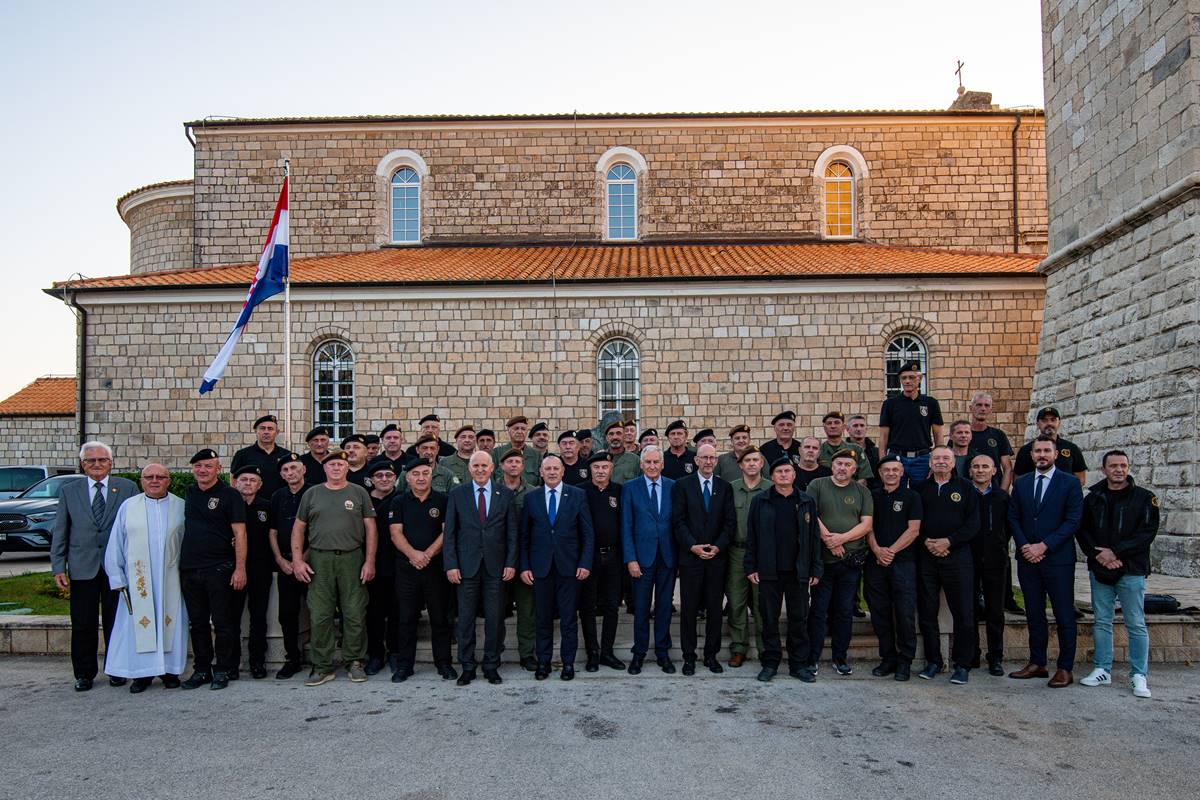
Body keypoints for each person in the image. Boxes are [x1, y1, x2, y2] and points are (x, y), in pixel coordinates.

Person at [50, 441, 139, 691]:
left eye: (102, 460)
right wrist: (58, 567)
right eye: (91, 460)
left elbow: (135, 528)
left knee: (116, 622)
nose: (96, 464)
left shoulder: (127, 488)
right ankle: (84, 673)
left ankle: (117, 669)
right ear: (82, 464)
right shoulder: (69, 491)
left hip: (117, 568)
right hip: (82, 566)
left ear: (111, 463)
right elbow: (61, 530)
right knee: (83, 623)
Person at [291, 448, 378, 687]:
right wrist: (298, 560)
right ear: (325, 468)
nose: (336, 468)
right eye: (332, 464)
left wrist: (370, 561)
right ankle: (322, 666)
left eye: (340, 464)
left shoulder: (359, 493)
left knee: (354, 611)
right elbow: (298, 528)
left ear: (347, 467)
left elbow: (371, 528)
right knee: (320, 613)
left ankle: (355, 661)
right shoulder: (312, 494)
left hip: (352, 558)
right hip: (320, 560)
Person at [1076, 450, 1159, 698]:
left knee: (1135, 623)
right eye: (1113, 466)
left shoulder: (1144, 498)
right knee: (1102, 621)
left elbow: (1147, 533)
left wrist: (1117, 552)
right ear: (1104, 469)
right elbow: (1082, 531)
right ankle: (1102, 669)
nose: (1119, 470)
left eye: (1123, 465)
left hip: (1131, 568)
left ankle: (1139, 674)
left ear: (1128, 467)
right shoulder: (1093, 498)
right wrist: (1098, 555)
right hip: (1101, 568)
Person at [102, 463, 187, 693]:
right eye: (149, 477)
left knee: (170, 624)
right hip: (138, 581)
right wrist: (117, 577)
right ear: (142, 481)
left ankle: (170, 672)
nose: (154, 481)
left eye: (160, 477)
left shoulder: (180, 506)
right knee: (141, 626)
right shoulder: (129, 507)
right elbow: (116, 543)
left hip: (171, 579)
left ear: (169, 481)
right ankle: (142, 674)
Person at [1007, 435, 1084, 688]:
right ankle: (1037, 662)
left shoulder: (1069, 483)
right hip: (1028, 558)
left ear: (1055, 454)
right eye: (1037, 451)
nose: (1041, 455)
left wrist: (1044, 546)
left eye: (1046, 451)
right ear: (1031, 455)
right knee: (1034, 613)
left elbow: (1073, 521)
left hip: (1057, 559)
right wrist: (1025, 546)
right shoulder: (1022, 483)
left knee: (1063, 614)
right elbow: (1013, 517)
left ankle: (1065, 668)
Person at [443, 451, 518, 686]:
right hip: (466, 568)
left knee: (495, 619)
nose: (480, 469)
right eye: (476, 466)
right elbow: (450, 533)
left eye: (484, 465)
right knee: (466, 619)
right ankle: (467, 666)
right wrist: (451, 565)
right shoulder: (458, 494)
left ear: (492, 467)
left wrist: (510, 563)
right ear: (469, 468)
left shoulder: (505, 494)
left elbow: (512, 533)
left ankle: (491, 665)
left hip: (496, 568)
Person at [744, 457, 823, 682]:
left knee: (799, 619)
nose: (783, 475)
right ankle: (770, 663)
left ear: (794, 475)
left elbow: (814, 537)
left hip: (798, 571)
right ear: (772, 476)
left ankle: (798, 665)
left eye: (787, 471)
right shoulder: (761, 501)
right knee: (769, 619)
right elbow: (752, 536)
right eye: (779, 471)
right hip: (769, 570)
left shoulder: (806, 501)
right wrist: (751, 566)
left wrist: (815, 568)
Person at [520, 454, 594, 680]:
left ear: (562, 471)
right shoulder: (531, 498)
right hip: (540, 568)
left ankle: (568, 663)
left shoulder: (577, 495)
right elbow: (524, 537)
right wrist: (525, 566)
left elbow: (587, 534)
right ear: (541, 472)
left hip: (569, 567)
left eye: (556, 468)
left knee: (569, 618)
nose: (552, 472)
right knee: (542, 618)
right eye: (548, 469)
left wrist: (585, 562)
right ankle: (543, 663)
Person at [179, 449, 247, 691]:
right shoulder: (189, 492)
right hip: (190, 568)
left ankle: (223, 669)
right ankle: (201, 669)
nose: (203, 470)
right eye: (198, 466)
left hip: (219, 568)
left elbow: (240, 533)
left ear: (218, 469)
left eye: (208, 466)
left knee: (223, 622)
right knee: (197, 623)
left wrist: (240, 568)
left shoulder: (230, 495)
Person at [913, 446, 978, 685]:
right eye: (937, 458)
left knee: (963, 612)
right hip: (927, 558)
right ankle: (933, 661)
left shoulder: (966, 488)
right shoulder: (920, 489)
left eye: (946, 458)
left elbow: (973, 523)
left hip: (957, 558)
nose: (941, 461)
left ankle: (962, 664)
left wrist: (949, 542)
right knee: (927, 612)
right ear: (930, 462)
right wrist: (926, 542)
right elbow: (913, 522)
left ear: (953, 462)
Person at [805, 450, 873, 676]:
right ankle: (812, 657)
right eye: (839, 463)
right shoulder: (817, 485)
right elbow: (810, 514)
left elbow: (866, 524)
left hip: (850, 562)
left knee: (844, 611)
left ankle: (839, 657)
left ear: (854, 469)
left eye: (847, 464)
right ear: (832, 466)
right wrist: (829, 540)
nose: (843, 468)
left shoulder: (862, 491)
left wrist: (841, 539)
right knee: (818, 609)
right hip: (823, 562)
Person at [388, 458, 456, 682]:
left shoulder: (443, 500)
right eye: (415, 474)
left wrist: (427, 555)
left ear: (431, 475)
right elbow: (395, 533)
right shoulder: (399, 501)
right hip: (407, 569)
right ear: (408, 478)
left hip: (435, 569)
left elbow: (447, 532)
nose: (420, 478)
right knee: (406, 619)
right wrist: (414, 555)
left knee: (440, 618)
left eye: (425, 473)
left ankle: (444, 663)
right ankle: (404, 666)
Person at [671, 443, 735, 675]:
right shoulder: (682, 485)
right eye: (704, 458)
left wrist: (718, 547)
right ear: (696, 460)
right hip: (691, 559)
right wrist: (692, 546)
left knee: (715, 610)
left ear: (716, 461)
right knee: (689, 610)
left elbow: (730, 523)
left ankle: (711, 655)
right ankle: (689, 657)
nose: (708, 462)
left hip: (717, 559)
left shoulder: (724, 487)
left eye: (712, 458)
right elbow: (678, 521)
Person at [621, 445, 677, 674]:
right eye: (648, 462)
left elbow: (677, 523)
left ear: (662, 464)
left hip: (667, 557)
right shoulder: (630, 488)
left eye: (656, 462)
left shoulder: (673, 486)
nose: (652, 466)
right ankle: (639, 653)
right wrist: (631, 559)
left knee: (664, 607)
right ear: (641, 464)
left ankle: (663, 652)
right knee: (641, 608)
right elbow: (626, 526)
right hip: (641, 559)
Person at [865, 455, 922, 681]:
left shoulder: (912, 496)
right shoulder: (872, 496)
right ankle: (887, 658)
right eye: (886, 470)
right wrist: (877, 550)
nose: (890, 473)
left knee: (904, 613)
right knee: (879, 612)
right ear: (880, 473)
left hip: (903, 562)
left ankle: (905, 661)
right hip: (875, 562)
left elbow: (913, 530)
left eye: (895, 470)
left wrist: (890, 552)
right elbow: (867, 526)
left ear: (901, 472)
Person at [581, 451, 625, 671]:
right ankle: (592, 652)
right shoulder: (580, 491)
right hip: (589, 558)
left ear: (611, 469)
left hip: (614, 557)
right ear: (590, 469)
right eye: (596, 467)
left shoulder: (619, 491)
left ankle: (607, 652)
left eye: (604, 467)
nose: (600, 471)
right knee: (588, 607)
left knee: (612, 606)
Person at [267, 452, 310, 679]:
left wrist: (301, 559)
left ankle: (320, 658)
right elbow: (272, 532)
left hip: (311, 563)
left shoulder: (314, 492)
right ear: (282, 475)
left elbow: (318, 531)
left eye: (294, 468)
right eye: (285, 470)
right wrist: (280, 560)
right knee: (287, 614)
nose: (290, 473)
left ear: (303, 470)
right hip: (285, 565)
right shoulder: (277, 496)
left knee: (318, 611)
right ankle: (292, 658)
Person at [967, 454, 1011, 676]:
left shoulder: (1002, 497)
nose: (980, 470)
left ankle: (995, 657)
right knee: (970, 609)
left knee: (995, 610)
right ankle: (972, 653)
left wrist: (999, 545)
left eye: (985, 466)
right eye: (976, 466)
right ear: (970, 471)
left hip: (995, 559)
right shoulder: (965, 495)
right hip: (969, 559)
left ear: (994, 471)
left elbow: (1009, 526)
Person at [726, 445, 769, 668]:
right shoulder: (730, 489)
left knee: (762, 603)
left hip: (763, 554)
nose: (752, 464)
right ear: (740, 465)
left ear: (761, 464)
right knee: (736, 601)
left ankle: (765, 648)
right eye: (747, 460)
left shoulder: (771, 488)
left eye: (755, 460)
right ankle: (738, 647)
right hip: (737, 552)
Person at [232, 464, 273, 679]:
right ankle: (232, 663)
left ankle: (257, 662)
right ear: (235, 482)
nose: (248, 483)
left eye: (252, 480)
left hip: (260, 568)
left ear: (260, 484)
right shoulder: (229, 504)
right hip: (233, 569)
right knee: (232, 617)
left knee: (258, 617)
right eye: (244, 479)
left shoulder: (267, 506)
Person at [497, 448, 537, 671]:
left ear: (523, 466)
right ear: (502, 466)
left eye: (518, 462)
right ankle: (495, 651)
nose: (513, 465)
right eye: (509, 461)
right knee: (496, 609)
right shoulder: (493, 490)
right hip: (498, 559)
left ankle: (527, 653)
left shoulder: (533, 492)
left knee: (527, 609)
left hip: (525, 560)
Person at [878, 361, 944, 484]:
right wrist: (882, 462)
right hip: (896, 458)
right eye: (904, 378)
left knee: (922, 493)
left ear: (919, 378)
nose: (907, 381)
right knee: (895, 491)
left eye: (911, 377)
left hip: (922, 459)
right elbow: (883, 438)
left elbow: (938, 436)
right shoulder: (890, 404)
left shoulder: (931, 403)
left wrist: (937, 462)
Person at [364, 461, 400, 675]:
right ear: (372, 480)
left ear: (395, 478)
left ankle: (395, 652)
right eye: (379, 476)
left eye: (388, 475)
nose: (384, 479)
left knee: (397, 612)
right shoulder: (363, 500)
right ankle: (375, 655)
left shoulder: (402, 498)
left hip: (397, 565)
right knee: (373, 613)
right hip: (371, 565)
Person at [1015, 407, 1088, 487]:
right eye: (1044, 420)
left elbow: (1080, 479)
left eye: (1053, 420)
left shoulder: (1071, 448)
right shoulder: (1026, 450)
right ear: (1038, 424)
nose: (1049, 423)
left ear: (1059, 422)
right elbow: (1017, 480)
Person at [230, 414, 293, 499]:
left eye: (270, 429)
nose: (266, 432)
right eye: (262, 428)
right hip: (252, 504)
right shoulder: (243, 454)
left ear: (277, 432)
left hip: (280, 503)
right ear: (256, 431)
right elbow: (234, 480)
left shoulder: (286, 455)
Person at [967, 393, 1014, 491]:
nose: (983, 408)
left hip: (994, 491)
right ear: (971, 408)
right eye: (979, 405)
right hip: (967, 491)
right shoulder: (961, 435)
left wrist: (1002, 494)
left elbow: (1007, 468)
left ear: (991, 410)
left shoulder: (998, 435)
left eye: (987, 405)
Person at [818, 412, 874, 484]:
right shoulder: (818, 450)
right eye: (829, 423)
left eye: (837, 423)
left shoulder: (857, 450)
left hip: (851, 490)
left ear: (843, 427)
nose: (833, 426)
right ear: (824, 427)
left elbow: (863, 478)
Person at [493, 415, 542, 486]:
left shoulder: (536, 455)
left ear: (526, 432)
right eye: (516, 429)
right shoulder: (497, 453)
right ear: (508, 430)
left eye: (523, 429)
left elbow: (541, 482)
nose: (520, 431)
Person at [846, 415, 881, 484]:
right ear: (848, 429)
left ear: (866, 429)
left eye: (862, 425)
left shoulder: (876, 452)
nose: (859, 429)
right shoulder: (841, 451)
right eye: (855, 426)